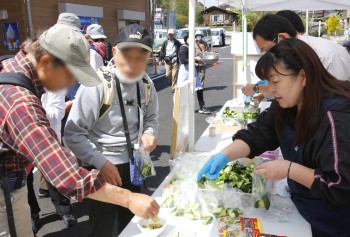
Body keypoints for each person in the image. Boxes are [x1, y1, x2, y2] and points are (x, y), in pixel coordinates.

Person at [0, 23, 159, 237]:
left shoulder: (11, 68)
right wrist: (129, 199)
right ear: (47, 63)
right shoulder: (20, 102)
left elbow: (151, 118)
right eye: (72, 75)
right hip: (6, 195)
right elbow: (67, 175)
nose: (73, 83)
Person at [198, 38, 350, 237]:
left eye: (276, 81)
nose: (271, 89)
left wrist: (289, 169)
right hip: (300, 213)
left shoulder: (334, 117)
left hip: (331, 224)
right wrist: (224, 156)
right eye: (268, 82)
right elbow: (259, 133)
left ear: (303, 76)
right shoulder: (286, 104)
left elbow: (339, 186)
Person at [64, 24, 159, 236]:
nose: (133, 63)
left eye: (140, 57)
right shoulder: (96, 84)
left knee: (134, 225)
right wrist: (101, 162)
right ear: (115, 52)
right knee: (102, 228)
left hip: (135, 162)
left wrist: (149, 133)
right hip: (102, 167)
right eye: (127, 55)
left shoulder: (146, 84)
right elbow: (73, 134)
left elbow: (152, 118)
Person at [242, 13, 350, 96]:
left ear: (281, 38)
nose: (269, 56)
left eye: (268, 50)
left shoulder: (325, 55)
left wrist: (257, 88)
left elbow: (335, 99)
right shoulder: (294, 55)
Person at [177, 34, 211, 114]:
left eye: (193, 39)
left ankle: (202, 106)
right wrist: (195, 59)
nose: (192, 40)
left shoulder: (191, 48)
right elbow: (183, 60)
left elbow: (191, 60)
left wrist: (196, 61)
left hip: (192, 71)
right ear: (186, 40)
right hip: (185, 72)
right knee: (183, 90)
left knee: (199, 88)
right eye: (189, 39)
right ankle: (180, 107)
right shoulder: (184, 47)